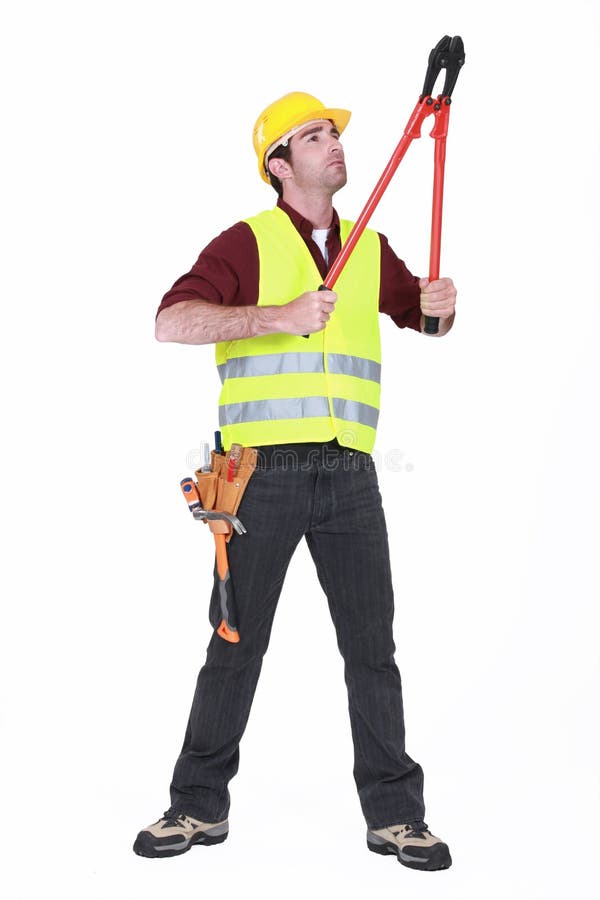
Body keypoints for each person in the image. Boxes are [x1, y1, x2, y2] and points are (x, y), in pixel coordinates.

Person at [134, 92, 457, 871]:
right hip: (259, 477)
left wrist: (441, 309)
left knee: (371, 650)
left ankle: (397, 817)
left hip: (349, 472)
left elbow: (426, 319)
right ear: (279, 165)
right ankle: (195, 807)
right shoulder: (244, 243)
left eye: (335, 134)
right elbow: (170, 320)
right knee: (235, 645)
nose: (333, 144)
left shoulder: (370, 248)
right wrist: (276, 314)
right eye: (313, 136)